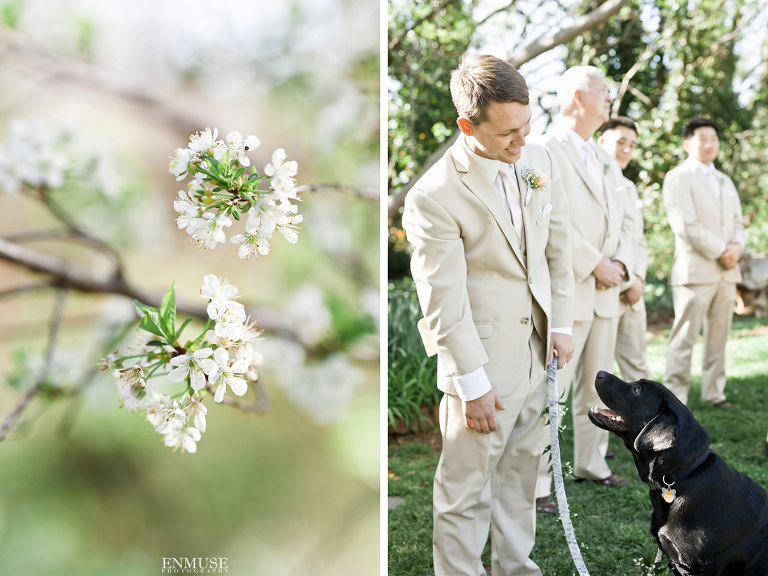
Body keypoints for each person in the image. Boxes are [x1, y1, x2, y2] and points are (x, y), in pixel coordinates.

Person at [402, 54, 575, 576]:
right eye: (506, 133)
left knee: (522, 479)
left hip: (538, 354)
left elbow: (558, 251)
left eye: (526, 126)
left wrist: (561, 324)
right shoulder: (433, 197)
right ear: (466, 125)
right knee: (464, 495)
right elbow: (443, 302)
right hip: (482, 367)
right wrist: (471, 384)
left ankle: (516, 569)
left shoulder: (539, 159)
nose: (520, 142)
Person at [534, 66, 635, 506]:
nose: (611, 97)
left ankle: (592, 463)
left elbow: (625, 219)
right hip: (569, 289)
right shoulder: (544, 148)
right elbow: (548, 216)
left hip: (607, 294)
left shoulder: (603, 156)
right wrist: (594, 263)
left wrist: (621, 265)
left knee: (599, 390)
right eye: (604, 91)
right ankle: (536, 485)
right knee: (550, 394)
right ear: (578, 97)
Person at [663, 118, 745, 407]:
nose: (710, 143)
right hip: (695, 272)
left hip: (727, 273)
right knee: (684, 338)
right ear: (688, 143)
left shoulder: (725, 180)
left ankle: (714, 393)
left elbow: (738, 222)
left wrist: (737, 247)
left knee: (718, 339)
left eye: (714, 138)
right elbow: (685, 224)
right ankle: (676, 400)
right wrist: (722, 249)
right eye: (703, 138)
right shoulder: (678, 176)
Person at [597, 116, 650, 382]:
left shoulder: (629, 187)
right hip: (602, 287)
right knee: (601, 371)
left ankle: (653, 424)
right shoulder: (592, 180)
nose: (626, 150)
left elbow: (639, 238)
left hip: (632, 290)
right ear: (602, 141)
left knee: (638, 370)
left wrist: (637, 278)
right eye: (620, 143)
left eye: (632, 145)